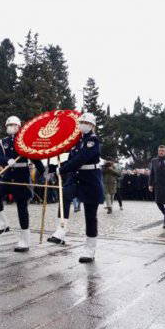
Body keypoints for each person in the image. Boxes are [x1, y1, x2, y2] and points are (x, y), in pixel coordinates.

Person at [46, 112, 104, 264]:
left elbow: (80, 159)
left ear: (92, 126)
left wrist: (62, 170)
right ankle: (61, 230)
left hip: (90, 181)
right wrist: (55, 167)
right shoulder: (78, 141)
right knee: (64, 195)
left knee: (90, 216)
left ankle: (90, 250)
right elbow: (71, 160)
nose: (82, 124)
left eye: (85, 122)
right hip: (76, 179)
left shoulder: (93, 141)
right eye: (81, 122)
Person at [0, 116, 45, 252]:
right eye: (8, 125)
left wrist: (43, 170)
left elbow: (34, 157)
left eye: (12, 125)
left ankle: (25, 240)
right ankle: (3, 223)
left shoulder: (25, 140)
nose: (9, 127)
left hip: (22, 175)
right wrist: (6, 160)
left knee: (22, 208)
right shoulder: (4, 141)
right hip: (8, 174)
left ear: (19, 126)